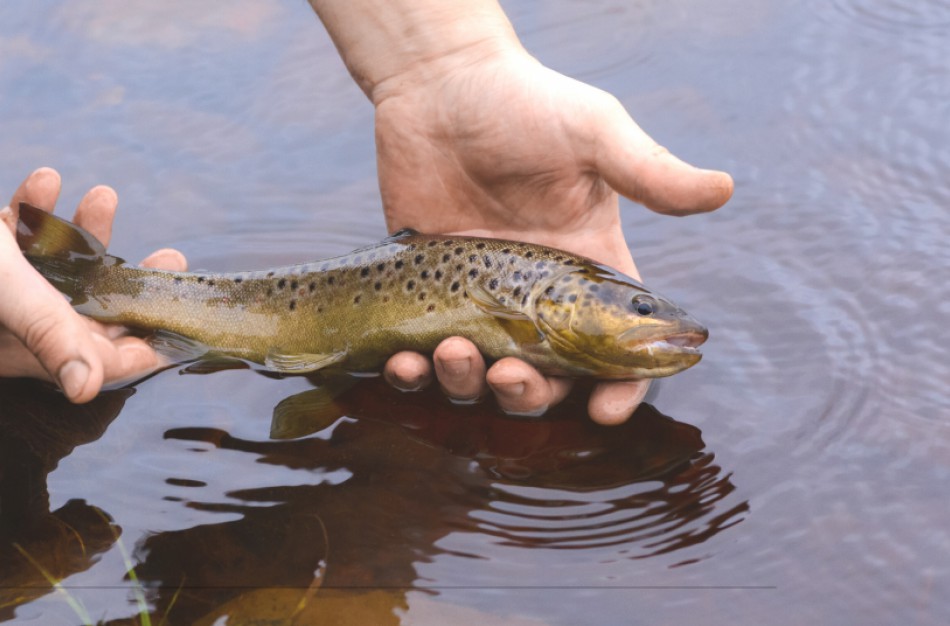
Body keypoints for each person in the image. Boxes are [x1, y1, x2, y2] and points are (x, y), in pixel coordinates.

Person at [0, 0, 732, 424]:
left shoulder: (543, 297)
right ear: (559, 302)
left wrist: (448, 66)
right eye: (639, 311)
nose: (665, 327)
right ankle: (103, 286)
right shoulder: (535, 299)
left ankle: (98, 286)